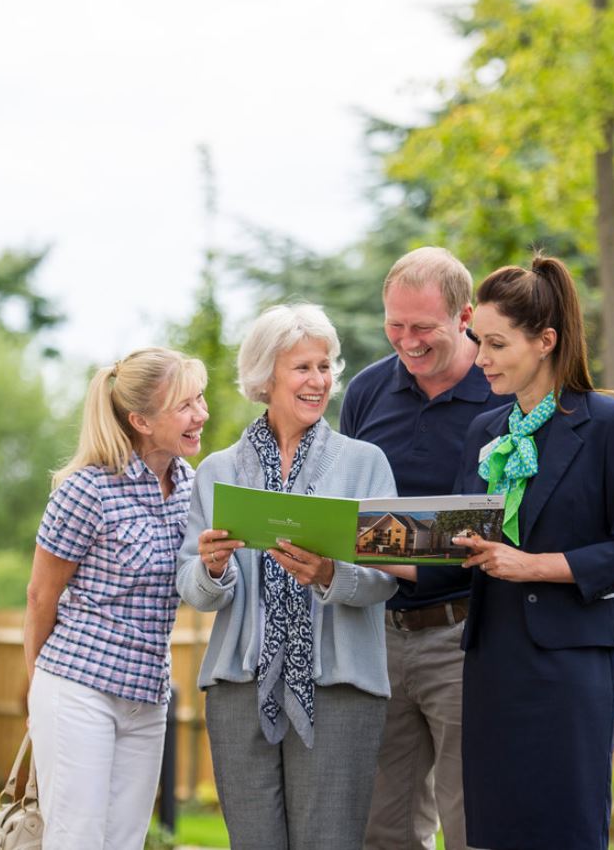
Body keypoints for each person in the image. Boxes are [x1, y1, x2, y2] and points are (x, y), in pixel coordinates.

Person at [407, 254, 614, 849]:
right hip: (493, 654)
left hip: (568, 663)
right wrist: (349, 552)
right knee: (492, 830)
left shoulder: (610, 425)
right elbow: (459, 543)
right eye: (477, 341)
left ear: (545, 340)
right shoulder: (484, 432)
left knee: (564, 827)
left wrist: (532, 566)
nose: (481, 359)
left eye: (496, 344)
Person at [176, 304, 399, 850]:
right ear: (265, 377)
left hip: (342, 687)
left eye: (325, 367)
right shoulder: (218, 471)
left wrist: (329, 574)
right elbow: (191, 586)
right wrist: (213, 567)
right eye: (302, 368)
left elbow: (389, 576)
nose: (318, 381)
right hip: (238, 686)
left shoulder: (365, 463)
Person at [340, 247, 511, 850]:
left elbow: (494, 529)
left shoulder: (501, 396)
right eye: (395, 325)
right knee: (381, 826)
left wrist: (380, 546)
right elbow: (348, 500)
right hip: (376, 633)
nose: (406, 342)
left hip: (463, 635)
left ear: (465, 317)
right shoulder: (366, 392)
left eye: (422, 328)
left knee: (471, 820)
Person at [23, 347, 209, 850]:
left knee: (124, 841)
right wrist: (40, 690)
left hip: (146, 696)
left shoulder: (196, 490)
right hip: (78, 686)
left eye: (201, 399)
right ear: (141, 420)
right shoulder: (87, 490)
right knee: (76, 839)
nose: (202, 415)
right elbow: (41, 596)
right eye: (186, 405)